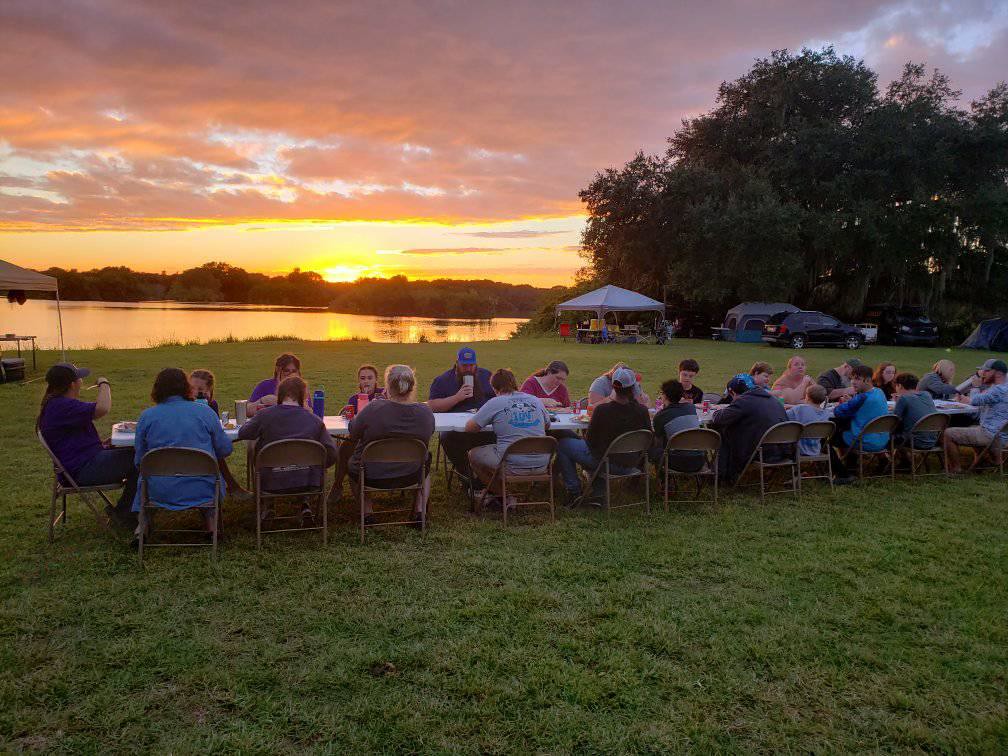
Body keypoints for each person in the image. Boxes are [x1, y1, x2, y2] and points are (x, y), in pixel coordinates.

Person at [132, 368, 233, 541]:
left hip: (159, 490)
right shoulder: (205, 412)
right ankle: (211, 524)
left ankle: (142, 526)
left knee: (144, 479)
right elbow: (225, 450)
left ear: (157, 389)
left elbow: (140, 461)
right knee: (211, 478)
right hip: (202, 488)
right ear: (187, 387)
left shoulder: (147, 417)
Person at [36, 362, 139, 529]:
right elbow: (102, 408)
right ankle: (125, 514)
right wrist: (104, 384)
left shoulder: (57, 404)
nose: (82, 381)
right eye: (80, 378)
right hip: (82, 471)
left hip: (81, 464)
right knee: (141, 459)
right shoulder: (61, 405)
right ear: (72, 384)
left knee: (132, 452)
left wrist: (102, 444)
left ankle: (128, 511)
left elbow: (72, 438)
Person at [237, 376, 339, 527]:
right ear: (303, 397)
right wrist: (319, 466)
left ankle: (268, 505)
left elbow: (243, 433)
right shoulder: (314, 420)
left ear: (280, 395)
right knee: (304, 466)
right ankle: (305, 506)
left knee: (257, 448)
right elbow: (332, 453)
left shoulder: (265, 415)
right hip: (308, 481)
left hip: (271, 481)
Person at [347, 365, 435, 526]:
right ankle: (419, 511)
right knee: (425, 464)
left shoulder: (373, 409)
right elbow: (430, 432)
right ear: (412, 386)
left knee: (353, 465)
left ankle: (367, 512)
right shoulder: (425, 412)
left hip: (371, 475)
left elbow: (353, 431)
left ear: (387, 386)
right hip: (412, 474)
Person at [556, 368, 651, 506]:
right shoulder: (642, 411)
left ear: (613, 387)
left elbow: (590, 442)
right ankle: (598, 493)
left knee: (564, 444)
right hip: (632, 463)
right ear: (633, 388)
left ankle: (574, 491)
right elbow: (648, 439)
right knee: (596, 450)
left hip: (606, 463)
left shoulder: (602, 410)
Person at [466, 369, 551, 509]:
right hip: (542, 463)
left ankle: (504, 495)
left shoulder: (495, 402)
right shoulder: (535, 400)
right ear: (514, 383)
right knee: (500, 450)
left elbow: (470, 428)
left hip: (512, 465)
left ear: (494, 388)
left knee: (473, 454)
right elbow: (547, 425)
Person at [427, 346, 495, 486]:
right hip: (456, 431)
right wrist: (457, 398)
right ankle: (468, 475)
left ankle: (490, 475)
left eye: (471, 365)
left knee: (501, 433)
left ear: (476, 364)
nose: (468, 369)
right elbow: (432, 406)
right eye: (464, 365)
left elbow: (501, 398)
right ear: (457, 364)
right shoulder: (443, 380)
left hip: (484, 426)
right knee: (447, 438)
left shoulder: (487, 377)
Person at [708, 376, 789, 483]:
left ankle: (720, 475)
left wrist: (718, 410)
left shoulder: (744, 401)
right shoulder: (773, 400)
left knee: (724, 433)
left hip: (760, 453)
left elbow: (719, 419)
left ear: (732, 392)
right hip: (782, 451)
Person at [190, 368, 251, 501]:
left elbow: (214, 430)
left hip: (206, 446)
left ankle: (232, 487)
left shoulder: (211, 404)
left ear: (209, 391)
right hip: (193, 447)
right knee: (216, 454)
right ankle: (233, 487)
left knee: (215, 451)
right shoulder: (185, 405)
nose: (195, 392)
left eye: (200, 389)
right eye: (192, 388)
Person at [944, 359, 1008, 474]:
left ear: (998, 373)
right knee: (972, 428)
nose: (983, 374)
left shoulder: (998, 390)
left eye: (986, 371)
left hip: (991, 435)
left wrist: (976, 387)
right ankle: (984, 463)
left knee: (948, 433)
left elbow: (975, 401)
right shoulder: (1003, 388)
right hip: (1002, 434)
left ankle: (955, 469)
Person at [828, 364, 890, 481]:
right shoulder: (879, 392)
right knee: (845, 429)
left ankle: (843, 473)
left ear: (868, 380)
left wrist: (846, 404)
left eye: (857, 379)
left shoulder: (861, 398)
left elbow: (839, 412)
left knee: (827, 438)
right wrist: (852, 402)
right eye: (852, 378)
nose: (853, 382)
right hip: (883, 439)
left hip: (863, 441)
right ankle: (851, 465)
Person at [650, 379, 704, 474]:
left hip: (677, 462)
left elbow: (658, 440)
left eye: (661, 393)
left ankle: (661, 478)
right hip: (699, 461)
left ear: (665, 396)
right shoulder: (691, 408)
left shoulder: (661, 416)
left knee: (652, 447)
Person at [891, 373, 938, 451]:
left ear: (899, 386)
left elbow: (894, 421)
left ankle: (887, 456)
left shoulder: (904, 398)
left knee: (888, 434)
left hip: (914, 441)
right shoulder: (927, 395)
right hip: (933, 440)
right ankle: (905, 457)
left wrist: (898, 403)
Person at [786, 384, 830, 457]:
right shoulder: (826, 414)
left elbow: (784, 416)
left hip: (798, 449)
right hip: (816, 450)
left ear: (807, 397)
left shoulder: (800, 409)